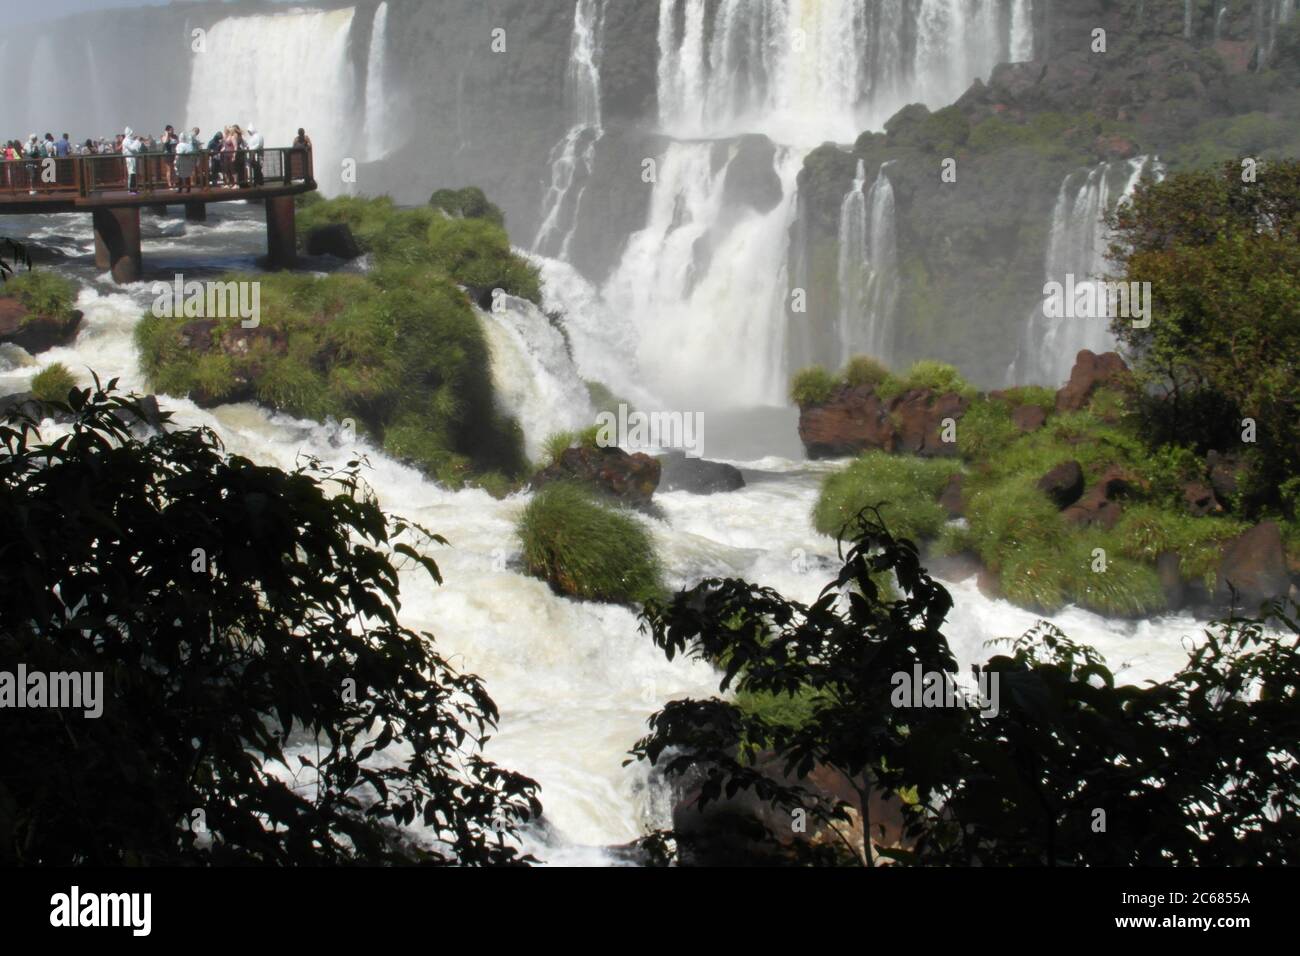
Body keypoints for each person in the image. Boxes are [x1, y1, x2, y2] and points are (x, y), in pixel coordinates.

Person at [121, 126, 141, 194]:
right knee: (132, 173)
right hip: (130, 159)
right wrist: (137, 140)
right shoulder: (126, 141)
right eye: (131, 133)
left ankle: (133, 188)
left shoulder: (130, 140)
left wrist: (137, 141)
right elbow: (132, 148)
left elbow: (135, 148)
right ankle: (132, 189)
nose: (132, 135)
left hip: (133, 158)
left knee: (132, 173)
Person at [244, 122, 264, 187]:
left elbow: (258, 144)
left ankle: (257, 182)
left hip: (256, 155)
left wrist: (250, 148)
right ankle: (259, 181)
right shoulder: (255, 136)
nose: (249, 133)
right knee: (257, 168)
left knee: (257, 168)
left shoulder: (258, 136)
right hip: (254, 155)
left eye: (249, 131)